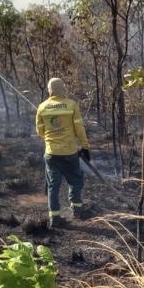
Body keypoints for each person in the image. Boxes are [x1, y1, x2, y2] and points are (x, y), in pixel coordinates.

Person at [35, 77, 91, 229]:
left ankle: (54, 218)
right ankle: (77, 210)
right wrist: (85, 147)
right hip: (70, 153)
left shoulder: (42, 107)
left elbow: (40, 131)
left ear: (49, 90)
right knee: (75, 181)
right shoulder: (71, 105)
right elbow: (79, 128)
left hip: (51, 154)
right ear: (63, 89)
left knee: (53, 186)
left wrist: (52, 137)